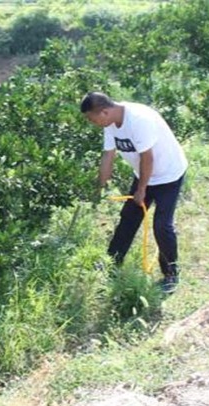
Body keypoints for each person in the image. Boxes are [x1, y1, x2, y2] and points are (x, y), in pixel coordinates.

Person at [80, 92, 188, 293]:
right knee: (128, 218)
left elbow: (148, 158)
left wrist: (141, 190)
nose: (91, 122)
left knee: (161, 226)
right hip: (145, 174)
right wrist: (98, 188)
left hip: (168, 175)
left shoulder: (139, 120)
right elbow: (108, 156)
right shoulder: (110, 124)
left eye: (91, 118)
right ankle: (112, 262)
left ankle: (171, 274)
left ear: (104, 112)